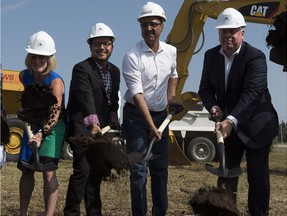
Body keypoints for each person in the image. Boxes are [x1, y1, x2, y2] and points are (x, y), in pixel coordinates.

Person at [198, 8, 279, 216]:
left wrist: (231, 120)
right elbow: (205, 89)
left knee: (257, 177)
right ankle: (225, 211)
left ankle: (258, 213)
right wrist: (214, 107)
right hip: (230, 128)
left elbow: (252, 93)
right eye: (223, 31)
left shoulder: (255, 57)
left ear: (242, 33)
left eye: (232, 31)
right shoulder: (210, 56)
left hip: (256, 126)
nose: (227, 36)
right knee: (226, 175)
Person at [122, 2, 181, 215]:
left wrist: (171, 97)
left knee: (160, 169)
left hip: (160, 116)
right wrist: (150, 125)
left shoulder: (171, 52)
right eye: (144, 24)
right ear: (140, 27)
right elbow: (137, 94)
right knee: (138, 170)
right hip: (136, 117)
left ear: (162, 26)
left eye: (153, 24)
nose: (149, 28)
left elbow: (174, 75)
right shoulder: (132, 56)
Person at [64, 22, 120, 216]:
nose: (102, 47)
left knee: (96, 171)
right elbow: (84, 96)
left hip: (100, 129)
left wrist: (113, 115)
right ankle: (71, 212)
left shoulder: (114, 71)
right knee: (83, 170)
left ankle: (94, 212)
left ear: (112, 46)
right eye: (97, 43)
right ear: (90, 46)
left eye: (106, 43)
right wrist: (93, 123)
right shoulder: (81, 69)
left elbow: (113, 99)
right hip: (82, 126)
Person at [17, 31, 66, 216]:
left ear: (49, 59)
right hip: (32, 123)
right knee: (26, 169)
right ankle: (23, 213)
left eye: (43, 57)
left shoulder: (56, 82)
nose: (38, 60)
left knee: (47, 172)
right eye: (34, 56)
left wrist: (41, 134)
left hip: (53, 126)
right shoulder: (24, 76)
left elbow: (55, 114)